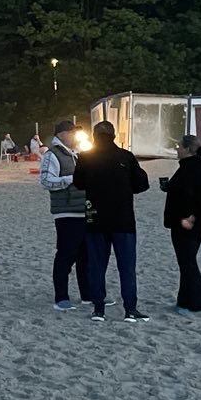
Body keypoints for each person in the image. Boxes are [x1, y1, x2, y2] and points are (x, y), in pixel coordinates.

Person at [72, 120, 151, 323]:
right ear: (114, 136)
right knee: (126, 266)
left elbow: (78, 183)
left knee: (97, 265)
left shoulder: (86, 157)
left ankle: (98, 308)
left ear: (94, 137)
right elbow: (142, 184)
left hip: (96, 217)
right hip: (123, 218)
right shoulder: (125, 156)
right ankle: (130, 308)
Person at [38, 119, 89, 310]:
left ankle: (87, 294)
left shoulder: (78, 154)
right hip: (66, 212)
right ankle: (61, 297)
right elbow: (45, 181)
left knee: (85, 257)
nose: (75, 136)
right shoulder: (52, 155)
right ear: (62, 134)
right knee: (66, 255)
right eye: (72, 132)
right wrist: (71, 179)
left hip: (83, 211)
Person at [163, 134, 201, 313]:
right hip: (195, 223)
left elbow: (191, 197)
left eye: (179, 147)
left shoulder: (190, 169)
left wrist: (188, 218)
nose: (177, 150)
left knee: (187, 263)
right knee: (187, 262)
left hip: (186, 223)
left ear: (187, 149)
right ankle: (184, 301)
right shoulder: (200, 168)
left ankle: (197, 303)